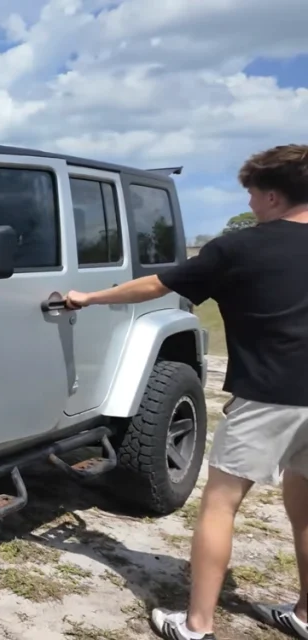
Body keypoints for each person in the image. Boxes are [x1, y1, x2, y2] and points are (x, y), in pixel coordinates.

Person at [65, 143, 308, 640]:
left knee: (220, 505)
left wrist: (89, 296)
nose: (251, 205)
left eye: (253, 195)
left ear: (274, 196)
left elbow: (155, 285)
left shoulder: (239, 248)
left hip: (269, 397)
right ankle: (305, 615)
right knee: (305, 502)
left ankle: (197, 625)